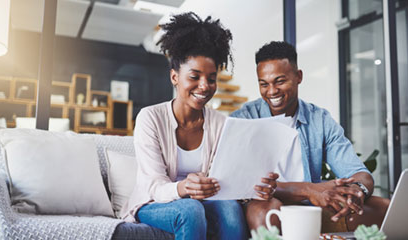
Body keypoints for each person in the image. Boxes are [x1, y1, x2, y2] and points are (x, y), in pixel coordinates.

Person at [119, 12, 267, 240]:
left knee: (230, 209)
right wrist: (183, 188)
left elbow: (228, 179)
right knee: (191, 210)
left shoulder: (221, 123)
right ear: (174, 77)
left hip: (204, 201)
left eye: (211, 78)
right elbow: (154, 185)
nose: (204, 86)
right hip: (154, 202)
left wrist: (256, 182)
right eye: (195, 76)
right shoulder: (150, 118)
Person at [231, 41, 390, 232]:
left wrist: (357, 190)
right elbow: (245, 184)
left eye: (280, 81)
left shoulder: (319, 119)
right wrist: (308, 189)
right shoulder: (244, 119)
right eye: (264, 84)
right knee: (266, 210)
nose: (271, 91)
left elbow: (360, 173)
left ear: (298, 77)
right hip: (266, 205)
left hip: (311, 207)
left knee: (382, 208)